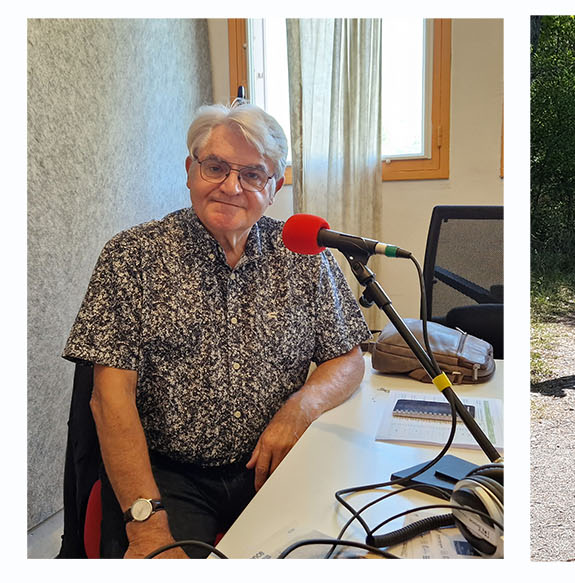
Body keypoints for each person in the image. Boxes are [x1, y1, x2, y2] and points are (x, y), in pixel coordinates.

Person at [62, 100, 369, 558]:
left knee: (345, 549)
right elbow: (110, 399)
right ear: (191, 171)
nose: (231, 186)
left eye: (252, 174)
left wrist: (301, 408)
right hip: (170, 474)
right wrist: (148, 529)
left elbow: (347, 357)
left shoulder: (305, 256)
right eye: (216, 167)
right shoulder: (132, 257)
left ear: (274, 187)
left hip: (272, 461)